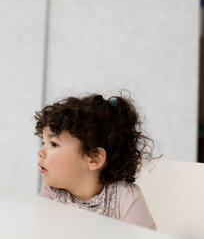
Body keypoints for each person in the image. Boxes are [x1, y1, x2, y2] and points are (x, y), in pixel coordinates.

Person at [34, 93, 157, 229]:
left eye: (53, 144)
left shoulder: (126, 197)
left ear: (94, 158)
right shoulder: (52, 193)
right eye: (43, 142)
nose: (40, 152)